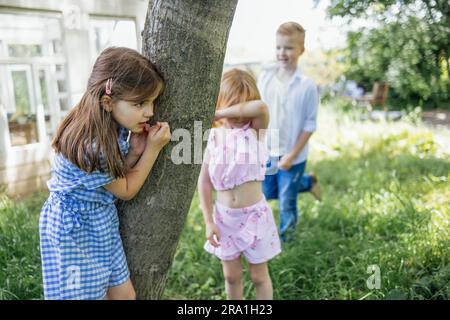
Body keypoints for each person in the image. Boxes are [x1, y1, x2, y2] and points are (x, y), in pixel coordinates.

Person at [39, 47, 171, 300]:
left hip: (101, 222)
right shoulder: (92, 143)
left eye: (152, 102)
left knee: (124, 296)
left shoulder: (113, 124)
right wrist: (152, 150)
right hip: (76, 231)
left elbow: (112, 177)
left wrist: (133, 153)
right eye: (140, 103)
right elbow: (126, 190)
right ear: (108, 101)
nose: (150, 112)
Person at [199, 69, 281, 300]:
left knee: (259, 276)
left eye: (242, 106)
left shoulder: (256, 132)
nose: (237, 114)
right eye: (232, 105)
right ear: (220, 100)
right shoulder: (213, 138)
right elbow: (204, 182)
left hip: (255, 216)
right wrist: (208, 221)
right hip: (224, 218)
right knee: (231, 276)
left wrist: (218, 113)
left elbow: (261, 108)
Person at [257, 22, 321, 242]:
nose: (282, 53)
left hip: (293, 156)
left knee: (286, 202)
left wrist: (291, 156)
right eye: (278, 47)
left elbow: (310, 125)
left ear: (301, 50)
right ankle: (307, 182)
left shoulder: (307, 86)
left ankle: (288, 241)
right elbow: (257, 112)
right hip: (267, 151)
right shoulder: (266, 78)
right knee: (269, 193)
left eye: (289, 48)